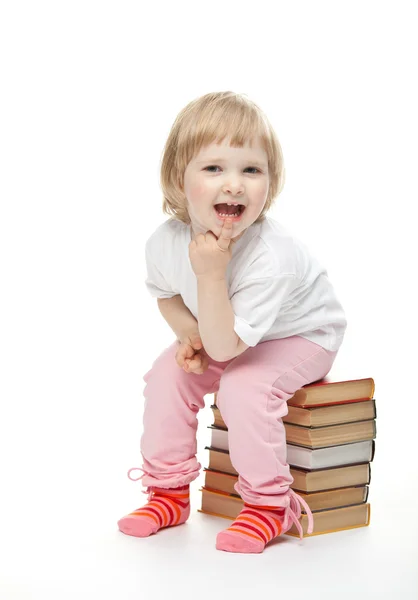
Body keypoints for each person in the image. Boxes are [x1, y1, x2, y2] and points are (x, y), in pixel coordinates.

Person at [117, 91, 347, 553]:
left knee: (245, 388)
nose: (234, 185)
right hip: (229, 332)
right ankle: (167, 493)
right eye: (213, 168)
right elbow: (165, 295)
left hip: (301, 334)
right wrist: (188, 333)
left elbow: (227, 351)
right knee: (167, 376)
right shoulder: (165, 241)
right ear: (178, 180)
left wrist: (210, 273)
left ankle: (269, 505)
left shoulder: (271, 256)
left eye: (251, 170)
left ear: (270, 183)